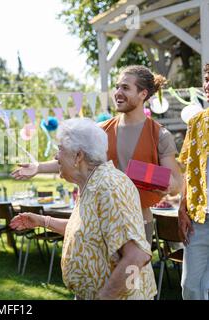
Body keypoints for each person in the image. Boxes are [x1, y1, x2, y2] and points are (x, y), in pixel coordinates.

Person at [13, 65, 183, 245]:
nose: (117, 92)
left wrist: (145, 175)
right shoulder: (99, 131)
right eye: (117, 86)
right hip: (97, 218)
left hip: (139, 221)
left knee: (133, 272)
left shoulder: (160, 135)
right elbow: (75, 160)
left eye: (125, 88)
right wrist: (38, 167)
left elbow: (176, 184)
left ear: (143, 94)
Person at [10, 118, 156, 300]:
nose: (56, 157)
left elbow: (136, 256)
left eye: (60, 149)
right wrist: (42, 221)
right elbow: (86, 230)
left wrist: (105, 296)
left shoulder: (110, 187)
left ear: (79, 156)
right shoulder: (91, 183)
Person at [177, 63, 209, 300]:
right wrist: (182, 207)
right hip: (200, 218)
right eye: (207, 79)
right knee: (190, 286)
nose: (207, 85)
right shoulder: (197, 122)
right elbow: (188, 168)